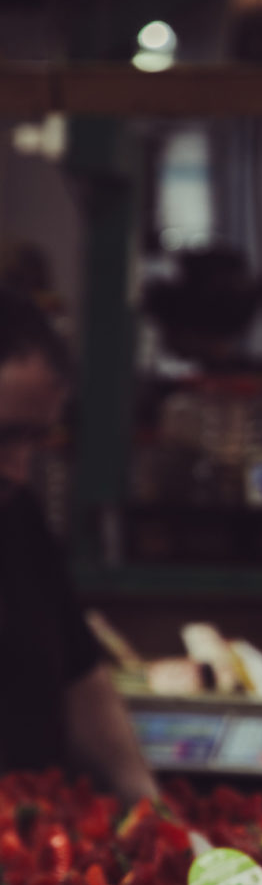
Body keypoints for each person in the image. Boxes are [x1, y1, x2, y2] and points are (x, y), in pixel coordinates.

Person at [0, 292, 158, 799]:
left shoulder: (16, 516)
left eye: (36, 439)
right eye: (2, 436)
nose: (18, 469)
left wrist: (150, 811)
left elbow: (80, 679)